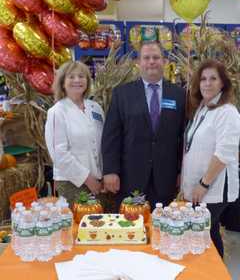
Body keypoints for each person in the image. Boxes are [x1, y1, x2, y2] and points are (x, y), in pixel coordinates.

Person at [101, 41, 186, 209]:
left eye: (156, 57)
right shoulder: (122, 94)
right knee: (131, 229)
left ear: (165, 62)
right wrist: (110, 171)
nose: (151, 61)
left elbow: (182, 137)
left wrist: (180, 172)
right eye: (146, 58)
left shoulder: (179, 94)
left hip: (166, 179)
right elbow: (111, 136)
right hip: (130, 178)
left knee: (162, 230)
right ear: (138, 63)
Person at [181, 59, 240, 257]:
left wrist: (204, 184)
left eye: (213, 78)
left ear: (222, 83)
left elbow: (224, 153)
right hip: (199, 187)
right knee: (210, 233)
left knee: (202, 234)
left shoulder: (227, 112)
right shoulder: (203, 109)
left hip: (213, 189)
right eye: (203, 79)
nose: (207, 83)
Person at [45, 61, 104, 206]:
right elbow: (59, 154)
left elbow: (104, 143)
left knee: (98, 225)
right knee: (81, 225)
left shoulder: (95, 108)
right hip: (72, 182)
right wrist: (88, 179)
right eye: (71, 77)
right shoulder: (57, 112)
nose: (77, 80)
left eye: (81, 76)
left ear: (88, 81)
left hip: (100, 181)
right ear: (62, 82)